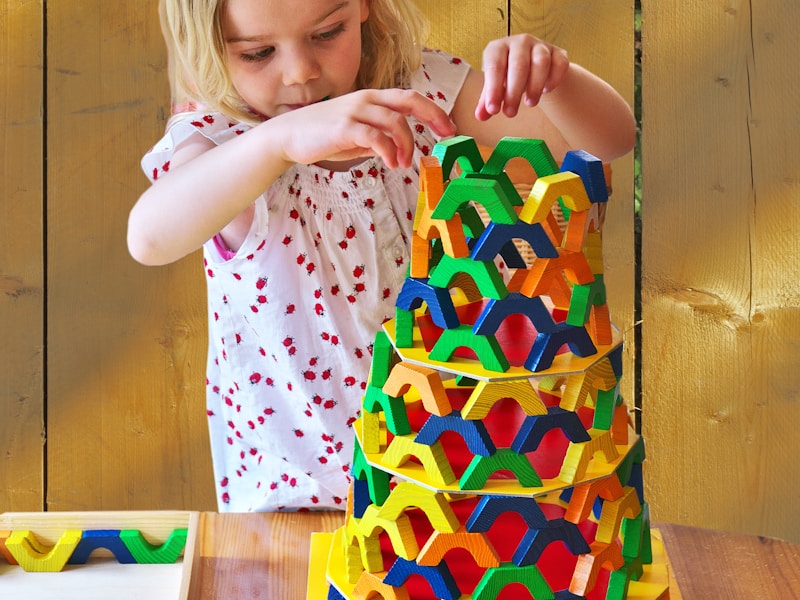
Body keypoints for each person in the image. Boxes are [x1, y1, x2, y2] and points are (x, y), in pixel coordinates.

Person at [128, 0, 636, 512]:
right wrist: (276, 143)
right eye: (258, 52)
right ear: (212, 42)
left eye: (327, 33)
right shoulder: (222, 144)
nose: (300, 71)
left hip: (459, 491)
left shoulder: (421, 94)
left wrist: (555, 81)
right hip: (300, 505)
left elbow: (604, 143)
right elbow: (149, 238)